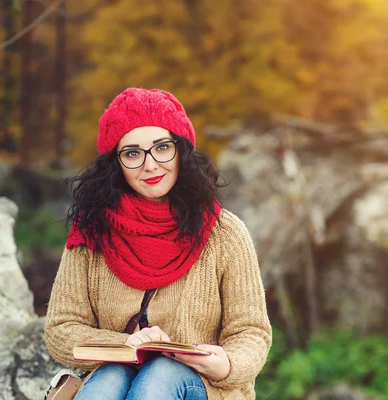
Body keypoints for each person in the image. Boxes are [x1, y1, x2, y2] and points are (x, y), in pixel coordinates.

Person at [45, 87, 272, 400]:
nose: (150, 165)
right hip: (116, 375)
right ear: (116, 163)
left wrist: (228, 364)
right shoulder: (92, 232)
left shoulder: (226, 233)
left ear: (180, 150)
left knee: (159, 375)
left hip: (203, 387)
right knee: (108, 379)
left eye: (162, 147)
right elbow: (60, 328)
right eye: (133, 153)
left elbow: (251, 331)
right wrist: (125, 344)